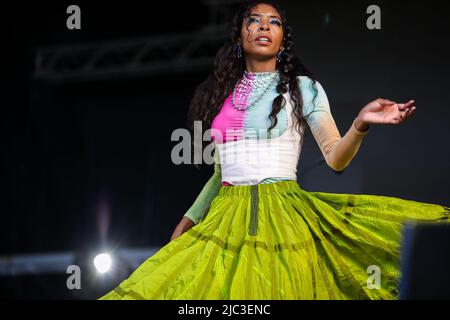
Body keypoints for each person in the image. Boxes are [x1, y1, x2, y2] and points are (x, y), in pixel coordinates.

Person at [99, 1, 449, 300]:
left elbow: (335, 158)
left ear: (282, 40)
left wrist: (360, 124)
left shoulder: (303, 88)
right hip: (224, 218)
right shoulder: (220, 95)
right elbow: (221, 175)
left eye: (274, 22)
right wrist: (189, 218)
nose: (264, 26)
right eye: (254, 20)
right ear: (240, 36)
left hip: (282, 216)